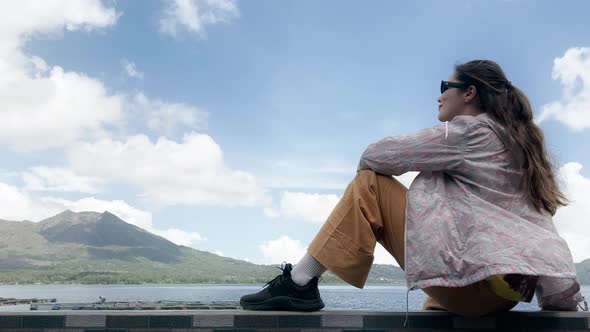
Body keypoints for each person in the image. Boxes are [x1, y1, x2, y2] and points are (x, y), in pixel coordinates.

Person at [240, 60, 587, 318]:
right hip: (504, 294)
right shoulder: (518, 146)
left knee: (369, 184)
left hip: (475, 290)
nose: (438, 96)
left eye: (443, 86)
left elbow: (375, 156)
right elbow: (539, 228)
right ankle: (443, 296)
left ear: (469, 93)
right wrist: (563, 301)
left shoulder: (470, 132)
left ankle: (299, 284)